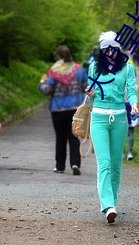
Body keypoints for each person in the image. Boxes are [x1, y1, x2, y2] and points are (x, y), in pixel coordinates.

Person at [85, 31, 138, 223]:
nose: (110, 52)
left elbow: (131, 90)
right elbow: (91, 95)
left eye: (113, 49)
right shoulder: (94, 67)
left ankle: (112, 201)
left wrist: (134, 104)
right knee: (104, 163)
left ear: (118, 49)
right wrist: (89, 92)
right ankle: (107, 205)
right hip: (98, 118)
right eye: (106, 49)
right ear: (101, 50)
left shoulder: (127, 68)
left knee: (116, 164)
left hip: (120, 119)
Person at [39, 45, 88, 175]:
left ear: (58, 57)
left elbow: (47, 90)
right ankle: (75, 163)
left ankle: (60, 166)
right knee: (74, 137)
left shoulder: (54, 71)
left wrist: (42, 83)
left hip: (58, 109)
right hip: (75, 109)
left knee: (60, 138)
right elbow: (86, 87)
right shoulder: (79, 70)